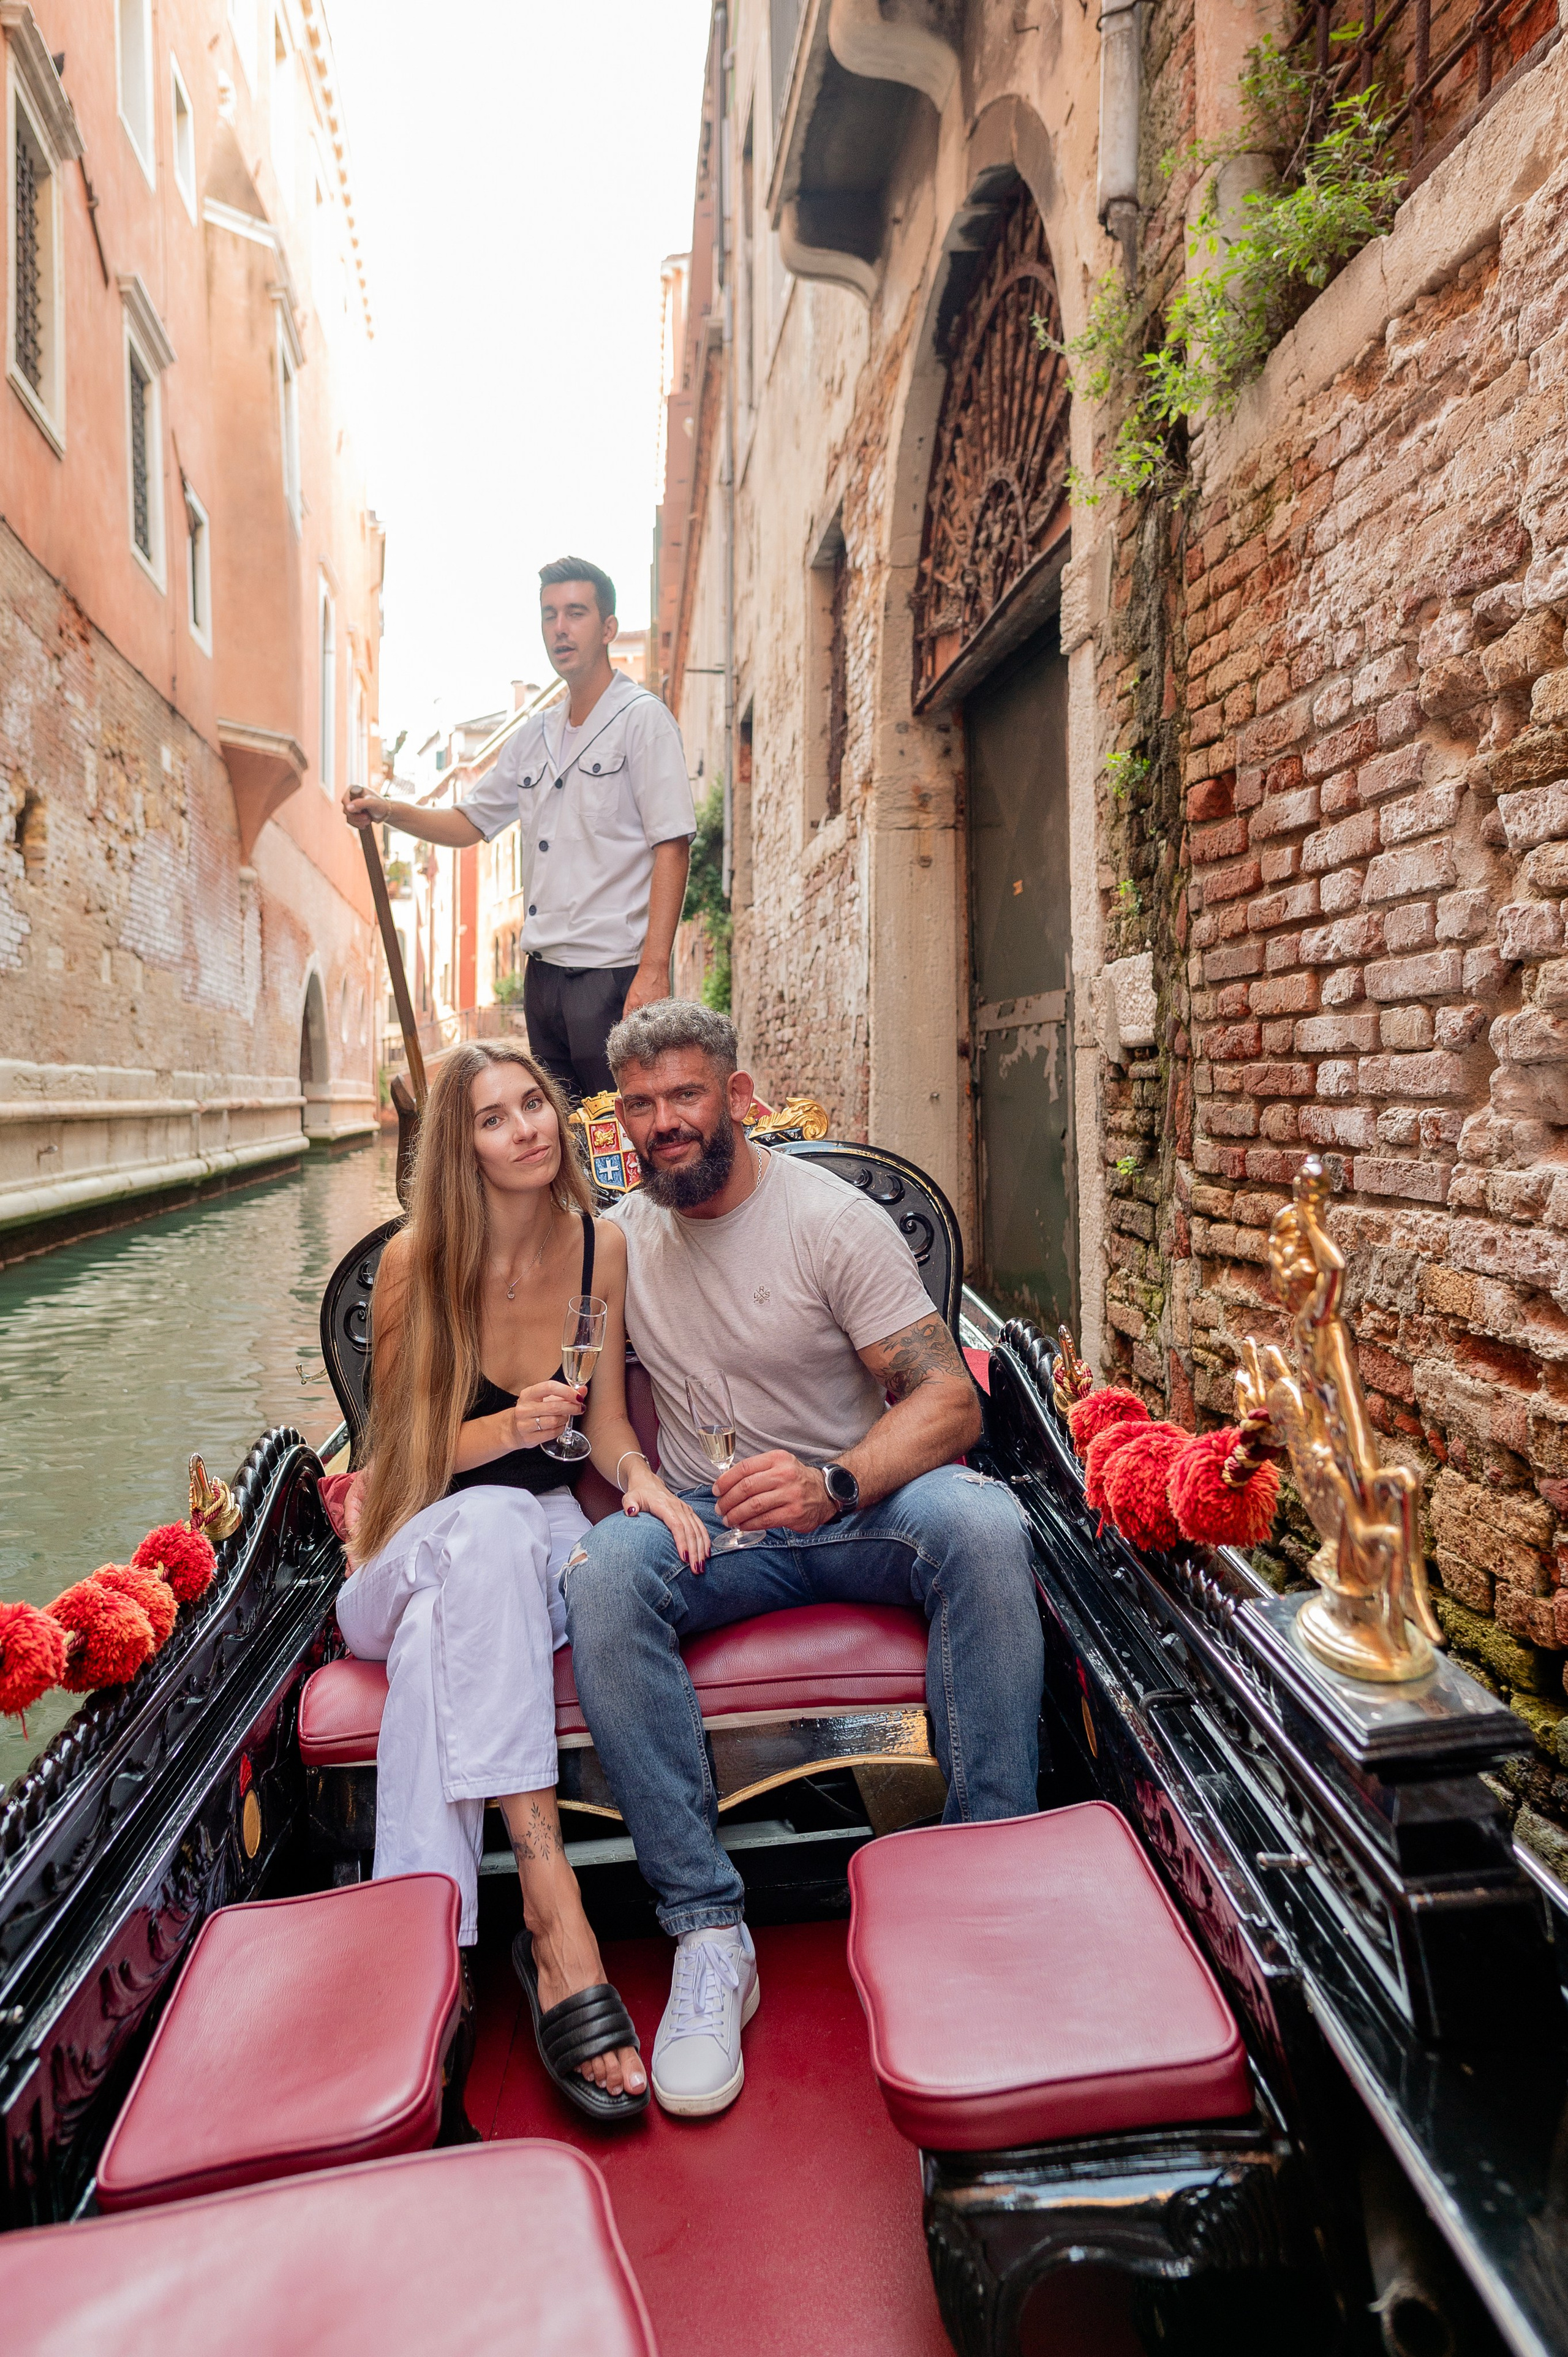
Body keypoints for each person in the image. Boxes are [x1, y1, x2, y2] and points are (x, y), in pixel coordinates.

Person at [562, 1002, 1046, 2120]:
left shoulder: (831, 1221)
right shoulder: (620, 1239)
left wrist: (834, 1480)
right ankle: (706, 1929)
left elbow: (949, 1400)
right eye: (639, 1104)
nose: (663, 1123)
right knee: (602, 1574)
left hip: (854, 1506)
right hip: (713, 1523)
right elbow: (596, 1412)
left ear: (737, 1098)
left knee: (985, 1525)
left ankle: (994, 1878)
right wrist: (638, 1482)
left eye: (685, 1095)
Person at [336, 1039, 709, 2121]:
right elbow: (395, 1467)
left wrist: (646, 1482)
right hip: (406, 1541)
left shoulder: (598, 1245)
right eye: (494, 1117)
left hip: (515, 1546)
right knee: (490, 1522)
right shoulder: (416, 1261)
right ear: (464, 1147)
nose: (528, 1127)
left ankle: (423, 1970)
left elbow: (597, 1430)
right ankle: (555, 1914)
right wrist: (502, 1425)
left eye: (534, 1103)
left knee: (472, 1594)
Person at [343, 557, 695, 1102]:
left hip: (612, 975)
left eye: (576, 613)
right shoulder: (533, 737)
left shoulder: (642, 720)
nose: (560, 627)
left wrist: (653, 970)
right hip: (543, 981)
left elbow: (672, 844)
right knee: (567, 1144)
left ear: (607, 629)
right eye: (550, 614)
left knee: (627, 1134)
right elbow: (468, 822)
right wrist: (389, 810)